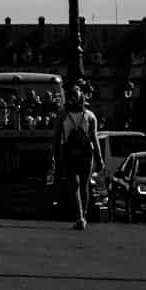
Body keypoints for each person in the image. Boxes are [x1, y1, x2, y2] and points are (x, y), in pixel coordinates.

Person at [54, 82, 104, 230]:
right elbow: (94, 139)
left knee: (75, 186)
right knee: (84, 186)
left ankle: (80, 216)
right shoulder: (90, 116)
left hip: (70, 153)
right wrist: (99, 158)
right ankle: (84, 216)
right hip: (86, 154)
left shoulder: (62, 115)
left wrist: (56, 157)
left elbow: (57, 138)